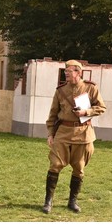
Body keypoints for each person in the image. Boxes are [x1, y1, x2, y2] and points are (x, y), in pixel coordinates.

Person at [43, 59, 106, 214]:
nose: (66, 74)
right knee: (55, 165)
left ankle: (72, 201)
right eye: (65, 71)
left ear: (78, 72)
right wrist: (51, 134)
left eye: (69, 71)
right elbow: (52, 114)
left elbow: (101, 107)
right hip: (63, 133)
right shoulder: (60, 91)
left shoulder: (90, 88)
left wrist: (86, 112)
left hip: (84, 133)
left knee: (79, 169)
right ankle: (48, 201)